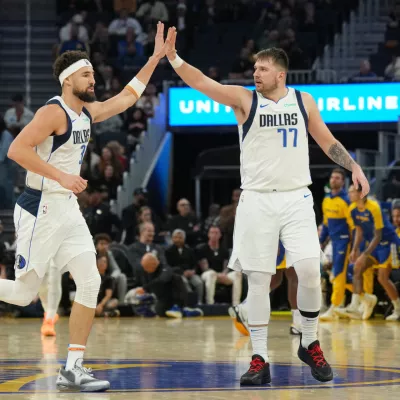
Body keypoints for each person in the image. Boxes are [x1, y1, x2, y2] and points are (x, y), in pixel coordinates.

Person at [163, 27, 369, 385]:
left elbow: (327, 141)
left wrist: (353, 166)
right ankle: (260, 358)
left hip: (297, 197)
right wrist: (174, 58)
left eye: (261, 68)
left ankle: (309, 341)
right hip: (257, 199)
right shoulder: (244, 100)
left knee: (307, 269)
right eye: (254, 68)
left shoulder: (304, 101)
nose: (254, 73)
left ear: (280, 74)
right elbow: (202, 83)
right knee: (258, 282)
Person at [1, 22, 168, 392]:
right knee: (25, 293)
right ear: (67, 80)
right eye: (85, 74)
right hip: (40, 205)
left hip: (66, 209)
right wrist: (60, 178)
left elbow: (127, 97)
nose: (93, 79)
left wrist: (155, 58)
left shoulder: (87, 113)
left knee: (90, 281)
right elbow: (17, 151)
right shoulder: (53, 112)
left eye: (93, 72)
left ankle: (73, 367)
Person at [338, 185, 400, 321]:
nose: (349, 194)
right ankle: (358, 304)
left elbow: (378, 235)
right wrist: (355, 250)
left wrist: (364, 254)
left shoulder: (374, 207)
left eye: (352, 192)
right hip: (375, 246)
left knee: (382, 278)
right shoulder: (352, 209)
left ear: (361, 193)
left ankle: (397, 309)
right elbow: (359, 231)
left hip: (388, 243)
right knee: (357, 268)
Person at [229, 240, 301, 337]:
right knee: (293, 276)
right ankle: (298, 323)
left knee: (277, 278)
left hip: (278, 235)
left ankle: (246, 306)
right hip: (284, 235)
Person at [319, 168, 353, 321]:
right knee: (335, 276)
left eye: (338, 178)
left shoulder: (346, 200)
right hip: (333, 242)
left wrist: (354, 248)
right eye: (332, 177)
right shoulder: (326, 200)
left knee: (338, 274)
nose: (334, 180)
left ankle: (334, 307)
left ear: (343, 182)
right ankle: (364, 297)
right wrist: (320, 241)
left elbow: (353, 226)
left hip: (344, 241)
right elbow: (326, 224)